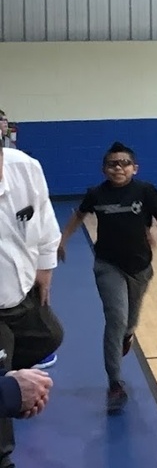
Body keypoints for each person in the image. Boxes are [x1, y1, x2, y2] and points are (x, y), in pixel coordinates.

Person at [58, 142, 157, 414]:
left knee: (129, 322)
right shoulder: (97, 193)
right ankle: (115, 384)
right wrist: (62, 240)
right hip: (108, 265)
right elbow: (79, 214)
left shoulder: (145, 190)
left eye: (124, 163)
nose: (118, 168)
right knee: (115, 319)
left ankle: (128, 334)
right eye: (112, 164)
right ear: (104, 169)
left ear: (134, 168)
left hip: (140, 266)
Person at [0, 144, 64, 467]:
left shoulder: (24, 167)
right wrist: (9, 392)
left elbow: (45, 217)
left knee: (50, 334)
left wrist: (45, 265)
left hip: (18, 294)